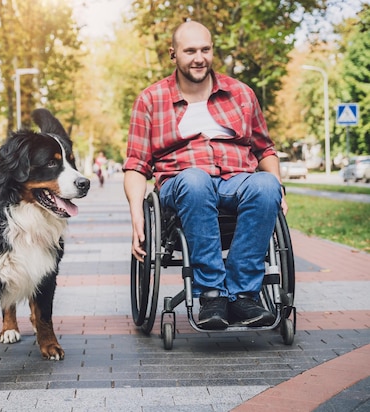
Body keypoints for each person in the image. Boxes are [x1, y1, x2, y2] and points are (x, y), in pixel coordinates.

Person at [123, 21, 287, 330]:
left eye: (205, 50)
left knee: (266, 186)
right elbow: (136, 165)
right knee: (196, 180)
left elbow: (265, 149)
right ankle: (212, 294)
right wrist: (136, 216)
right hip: (182, 183)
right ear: (173, 54)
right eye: (190, 51)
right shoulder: (151, 100)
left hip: (238, 180)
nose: (199, 58)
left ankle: (242, 295)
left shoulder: (240, 93)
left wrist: (277, 185)